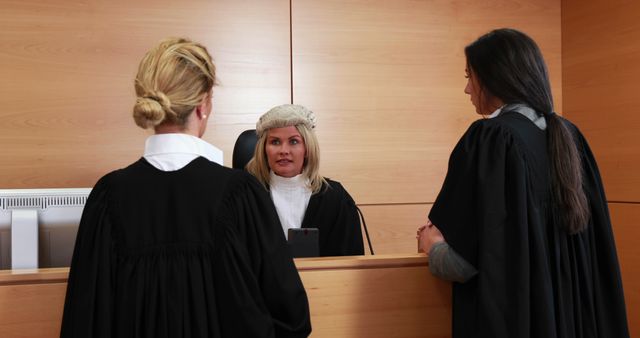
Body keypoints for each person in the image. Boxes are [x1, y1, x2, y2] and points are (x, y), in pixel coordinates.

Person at [60, 37, 311, 338]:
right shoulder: (242, 194)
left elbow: (83, 322)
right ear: (204, 105)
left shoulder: (108, 198)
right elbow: (291, 317)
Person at [417, 28, 629, 338]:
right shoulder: (572, 138)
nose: (466, 89)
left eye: (469, 76)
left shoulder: (490, 141)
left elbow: (459, 266)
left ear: (494, 77)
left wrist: (431, 245)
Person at [246, 104, 364, 256]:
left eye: (294, 141)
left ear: (307, 148)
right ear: (264, 149)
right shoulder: (246, 197)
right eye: (275, 142)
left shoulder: (335, 197)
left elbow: (350, 263)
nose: (283, 151)